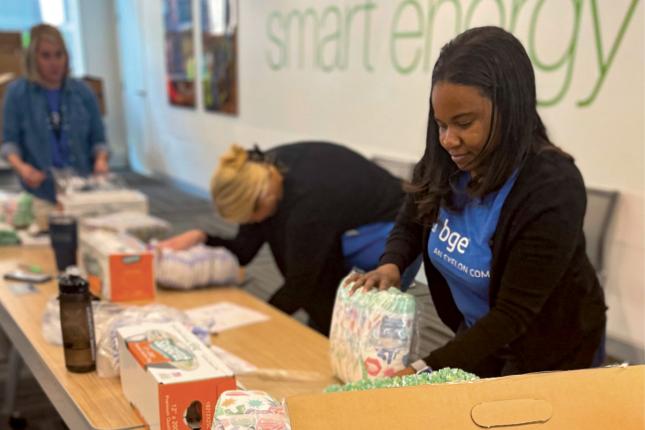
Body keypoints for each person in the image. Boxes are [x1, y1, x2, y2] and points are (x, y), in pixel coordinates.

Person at [348, 26, 607, 377]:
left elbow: (512, 315)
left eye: (463, 123)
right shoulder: (447, 159)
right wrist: (392, 264)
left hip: (551, 351)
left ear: (510, 110)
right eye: (440, 125)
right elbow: (412, 219)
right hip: (480, 338)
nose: (448, 140)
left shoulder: (552, 187)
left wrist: (425, 368)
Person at [160, 141, 406, 335]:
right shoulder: (256, 174)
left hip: (392, 220)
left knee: (361, 311)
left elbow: (299, 284)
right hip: (333, 208)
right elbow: (243, 251)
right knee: (318, 290)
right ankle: (325, 330)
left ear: (264, 200)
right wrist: (201, 237)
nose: (251, 224)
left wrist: (257, 321)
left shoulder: (306, 208)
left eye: (250, 217)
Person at [1, 24, 109, 204]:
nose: (55, 63)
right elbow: (9, 143)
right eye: (46, 56)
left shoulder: (83, 92)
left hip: (81, 188)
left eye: (59, 55)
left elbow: (99, 140)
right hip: (38, 190)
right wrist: (22, 168)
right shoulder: (17, 94)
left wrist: (101, 161)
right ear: (32, 59)